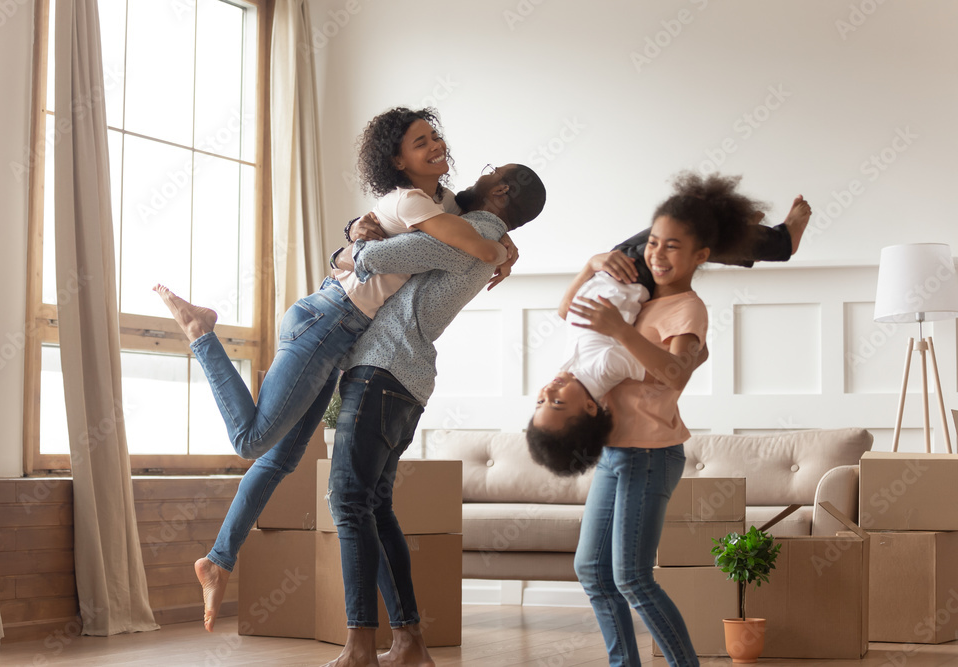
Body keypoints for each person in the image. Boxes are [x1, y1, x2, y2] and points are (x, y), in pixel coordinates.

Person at [150, 107, 515, 632]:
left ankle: (218, 560)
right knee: (251, 441)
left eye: (435, 136)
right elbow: (470, 244)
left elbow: (453, 230)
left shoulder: (441, 202)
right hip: (325, 321)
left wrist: (502, 244)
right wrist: (498, 248)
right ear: (397, 159)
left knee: (280, 459)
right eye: (419, 142)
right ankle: (202, 333)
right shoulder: (415, 201)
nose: (435, 145)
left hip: (341, 331)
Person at [323, 163, 545, 667]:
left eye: (490, 170)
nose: (479, 171)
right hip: (407, 381)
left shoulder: (474, 234)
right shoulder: (485, 237)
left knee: (349, 503)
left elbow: (383, 257)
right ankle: (409, 642)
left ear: (501, 189)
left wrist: (351, 247)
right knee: (375, 507)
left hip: (382, 372)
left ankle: (360, 645)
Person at [567, 171, 773, 666]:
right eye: (653, 242)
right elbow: (568, 311)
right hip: (614, 450)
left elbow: (675, 373)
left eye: (673, 246)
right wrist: (591, 264)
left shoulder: (688, 309)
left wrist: (620, 331)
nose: (658, 255)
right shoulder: (638, 294)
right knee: (592, 569)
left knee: (632, 576)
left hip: (650, 455)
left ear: (700, 256)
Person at [527, 194, 811, 475]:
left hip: (607, 266)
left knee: (690, 226)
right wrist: (622, 330)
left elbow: (565, 311)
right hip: (632, 273)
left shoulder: (571, 370)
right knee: (684, 228)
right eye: (558, 402)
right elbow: (672, 371)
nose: (548, 391)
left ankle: (738, 233)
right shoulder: (604, 368)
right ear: (590, 407)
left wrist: (590, 265)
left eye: (540, 401)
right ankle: (779, 242)